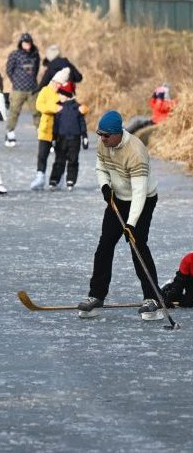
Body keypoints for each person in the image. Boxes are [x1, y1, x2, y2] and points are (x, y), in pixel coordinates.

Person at [77, 110, 164, 321]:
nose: (102, 138)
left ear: (117, 134)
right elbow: (100, 167)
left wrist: (131, 224)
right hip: (117, 199)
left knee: (138, 245)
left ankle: (153, 299)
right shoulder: (104, 144)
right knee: (105, 245)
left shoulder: (136, 151)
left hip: (142, 200)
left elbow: (140, 192)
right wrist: (105, 187)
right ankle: (96, 295)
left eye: (106, 135)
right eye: (100, 134)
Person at [31, 67, 70, 190]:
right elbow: (39, 105)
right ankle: (40, 176)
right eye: (56, 83)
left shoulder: (64, 93)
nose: (56, 86)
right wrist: (54, 108)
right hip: (46, 128)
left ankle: (57, 178)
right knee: (42, 154)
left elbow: (69, 108)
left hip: (60, 130)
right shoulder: (45, 91)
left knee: (60, 155)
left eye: (59, 84)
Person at [48, 82, 88, 190]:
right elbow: (55, 125)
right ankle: (54, 179)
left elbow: (82, 123)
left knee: (73, 160)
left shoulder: (77, 108)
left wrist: (84, 136)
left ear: (67, 95)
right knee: (59, 160)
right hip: (61, 138)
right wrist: (53, 139)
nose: (59, 96)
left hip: (75, 139)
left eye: (61, 94)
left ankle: (70, 180)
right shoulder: (58, 107)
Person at [4, 32, 40, 147]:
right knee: (14, 111)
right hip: (18, 89)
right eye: (25, 43)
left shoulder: (35, 55)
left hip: (32, 89)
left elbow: (37, 69)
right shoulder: (15, 55)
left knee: (37, 112)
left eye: (28, 43)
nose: (27, 45)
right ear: (21, 43)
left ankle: (41, 133)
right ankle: (10, 133)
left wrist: (33, 81)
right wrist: (15, 81)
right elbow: (9, 69)